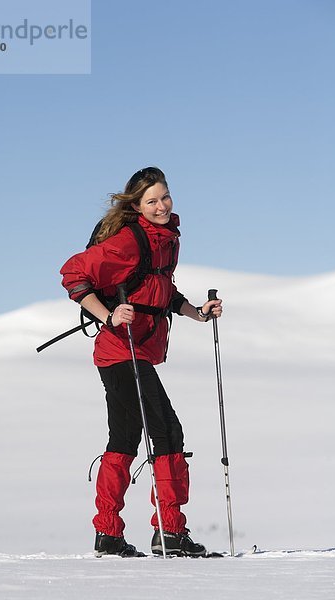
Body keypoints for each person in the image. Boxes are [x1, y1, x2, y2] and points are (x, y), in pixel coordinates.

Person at [60, 167, 222, 557]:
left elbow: (160, 289)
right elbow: (73, 273)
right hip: (121, 351)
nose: (162, 205)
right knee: (167, 431)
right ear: (136, 206)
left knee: (124, 439)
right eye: (152, 201)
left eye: (165, 197)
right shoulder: (130, 240)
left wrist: (198, 312)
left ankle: (109, 535)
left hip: (135, 351)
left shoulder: (165, 239)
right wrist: (107, 315)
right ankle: (169, 531)